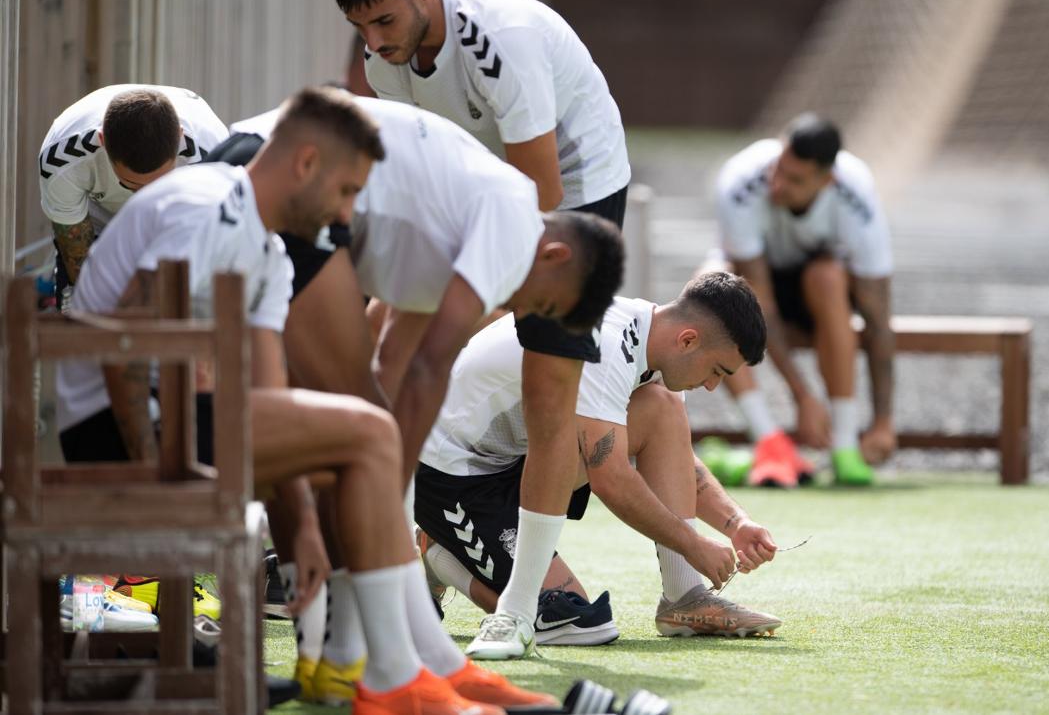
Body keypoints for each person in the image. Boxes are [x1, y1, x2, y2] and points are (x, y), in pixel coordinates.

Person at [57, 86, 556, 715]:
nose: (346, 216)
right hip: (113, 427)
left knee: (345, 445)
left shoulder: (267, 254)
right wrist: (155, 465)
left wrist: (306, 537)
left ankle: (359, 665)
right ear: (306, 164)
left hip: (178, 416)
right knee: (372, 433)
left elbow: (268, 400)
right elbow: (130, 333)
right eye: (347, 192)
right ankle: (393, 680)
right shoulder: (205, 203)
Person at [208, 94, 623, 697]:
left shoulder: (455, 226)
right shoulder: (512, 219)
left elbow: (394, 359)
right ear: (554, 255)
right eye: (542, 304)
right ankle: (376, 664)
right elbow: (430, 368)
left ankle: (341, 657)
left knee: (343, 430)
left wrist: (381, 493)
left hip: (263, 169)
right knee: (349, 432)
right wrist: (383, 494)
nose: (521, 312)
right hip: (282, 175)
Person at [332, 0, 631, 658]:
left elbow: (540, 200)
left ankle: (521, 611)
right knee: (383, 356)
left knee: (548, 389)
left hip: (573, 204)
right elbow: (419, 177)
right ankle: (389, 573)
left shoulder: (501, 40)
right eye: (360, 27)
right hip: (480, 197)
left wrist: (459, 306)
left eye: (383, 19)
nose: (375, 43)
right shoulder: (382, 62)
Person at [415, 273, 781, 656]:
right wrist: (694, 544)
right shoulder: (606, 345)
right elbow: (612, 479)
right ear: (688, 340)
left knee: (662, 408)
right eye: (718, 371)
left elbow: (676, 461)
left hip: (520, 459)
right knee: (577, 623)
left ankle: (685, 598)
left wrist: (735, 523)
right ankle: (437, 552)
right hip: (453, 477)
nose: (711, 386)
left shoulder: (653, 344)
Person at [711, 113, 895, 488]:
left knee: (827, 277)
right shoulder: (739, 182)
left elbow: (877, 318)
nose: (778, 185)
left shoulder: (857, 195)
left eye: (795, 180)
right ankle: (769, 441)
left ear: (827, 180)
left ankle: (844, 446)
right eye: (779, 169)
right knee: (710, 287)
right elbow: (758, 301)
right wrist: (803, 396)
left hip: (818, 292)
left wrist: (883, 423)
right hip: (757, 283)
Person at [38, 84, 228, 310]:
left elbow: (210, 244)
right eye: (131, 184)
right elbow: (75, 251)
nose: (144, 198)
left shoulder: (211, 159)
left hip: (173, 223)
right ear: (103, 141)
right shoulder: (62, 159)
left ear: (179, 137)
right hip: (99, 222)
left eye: (159, 184)